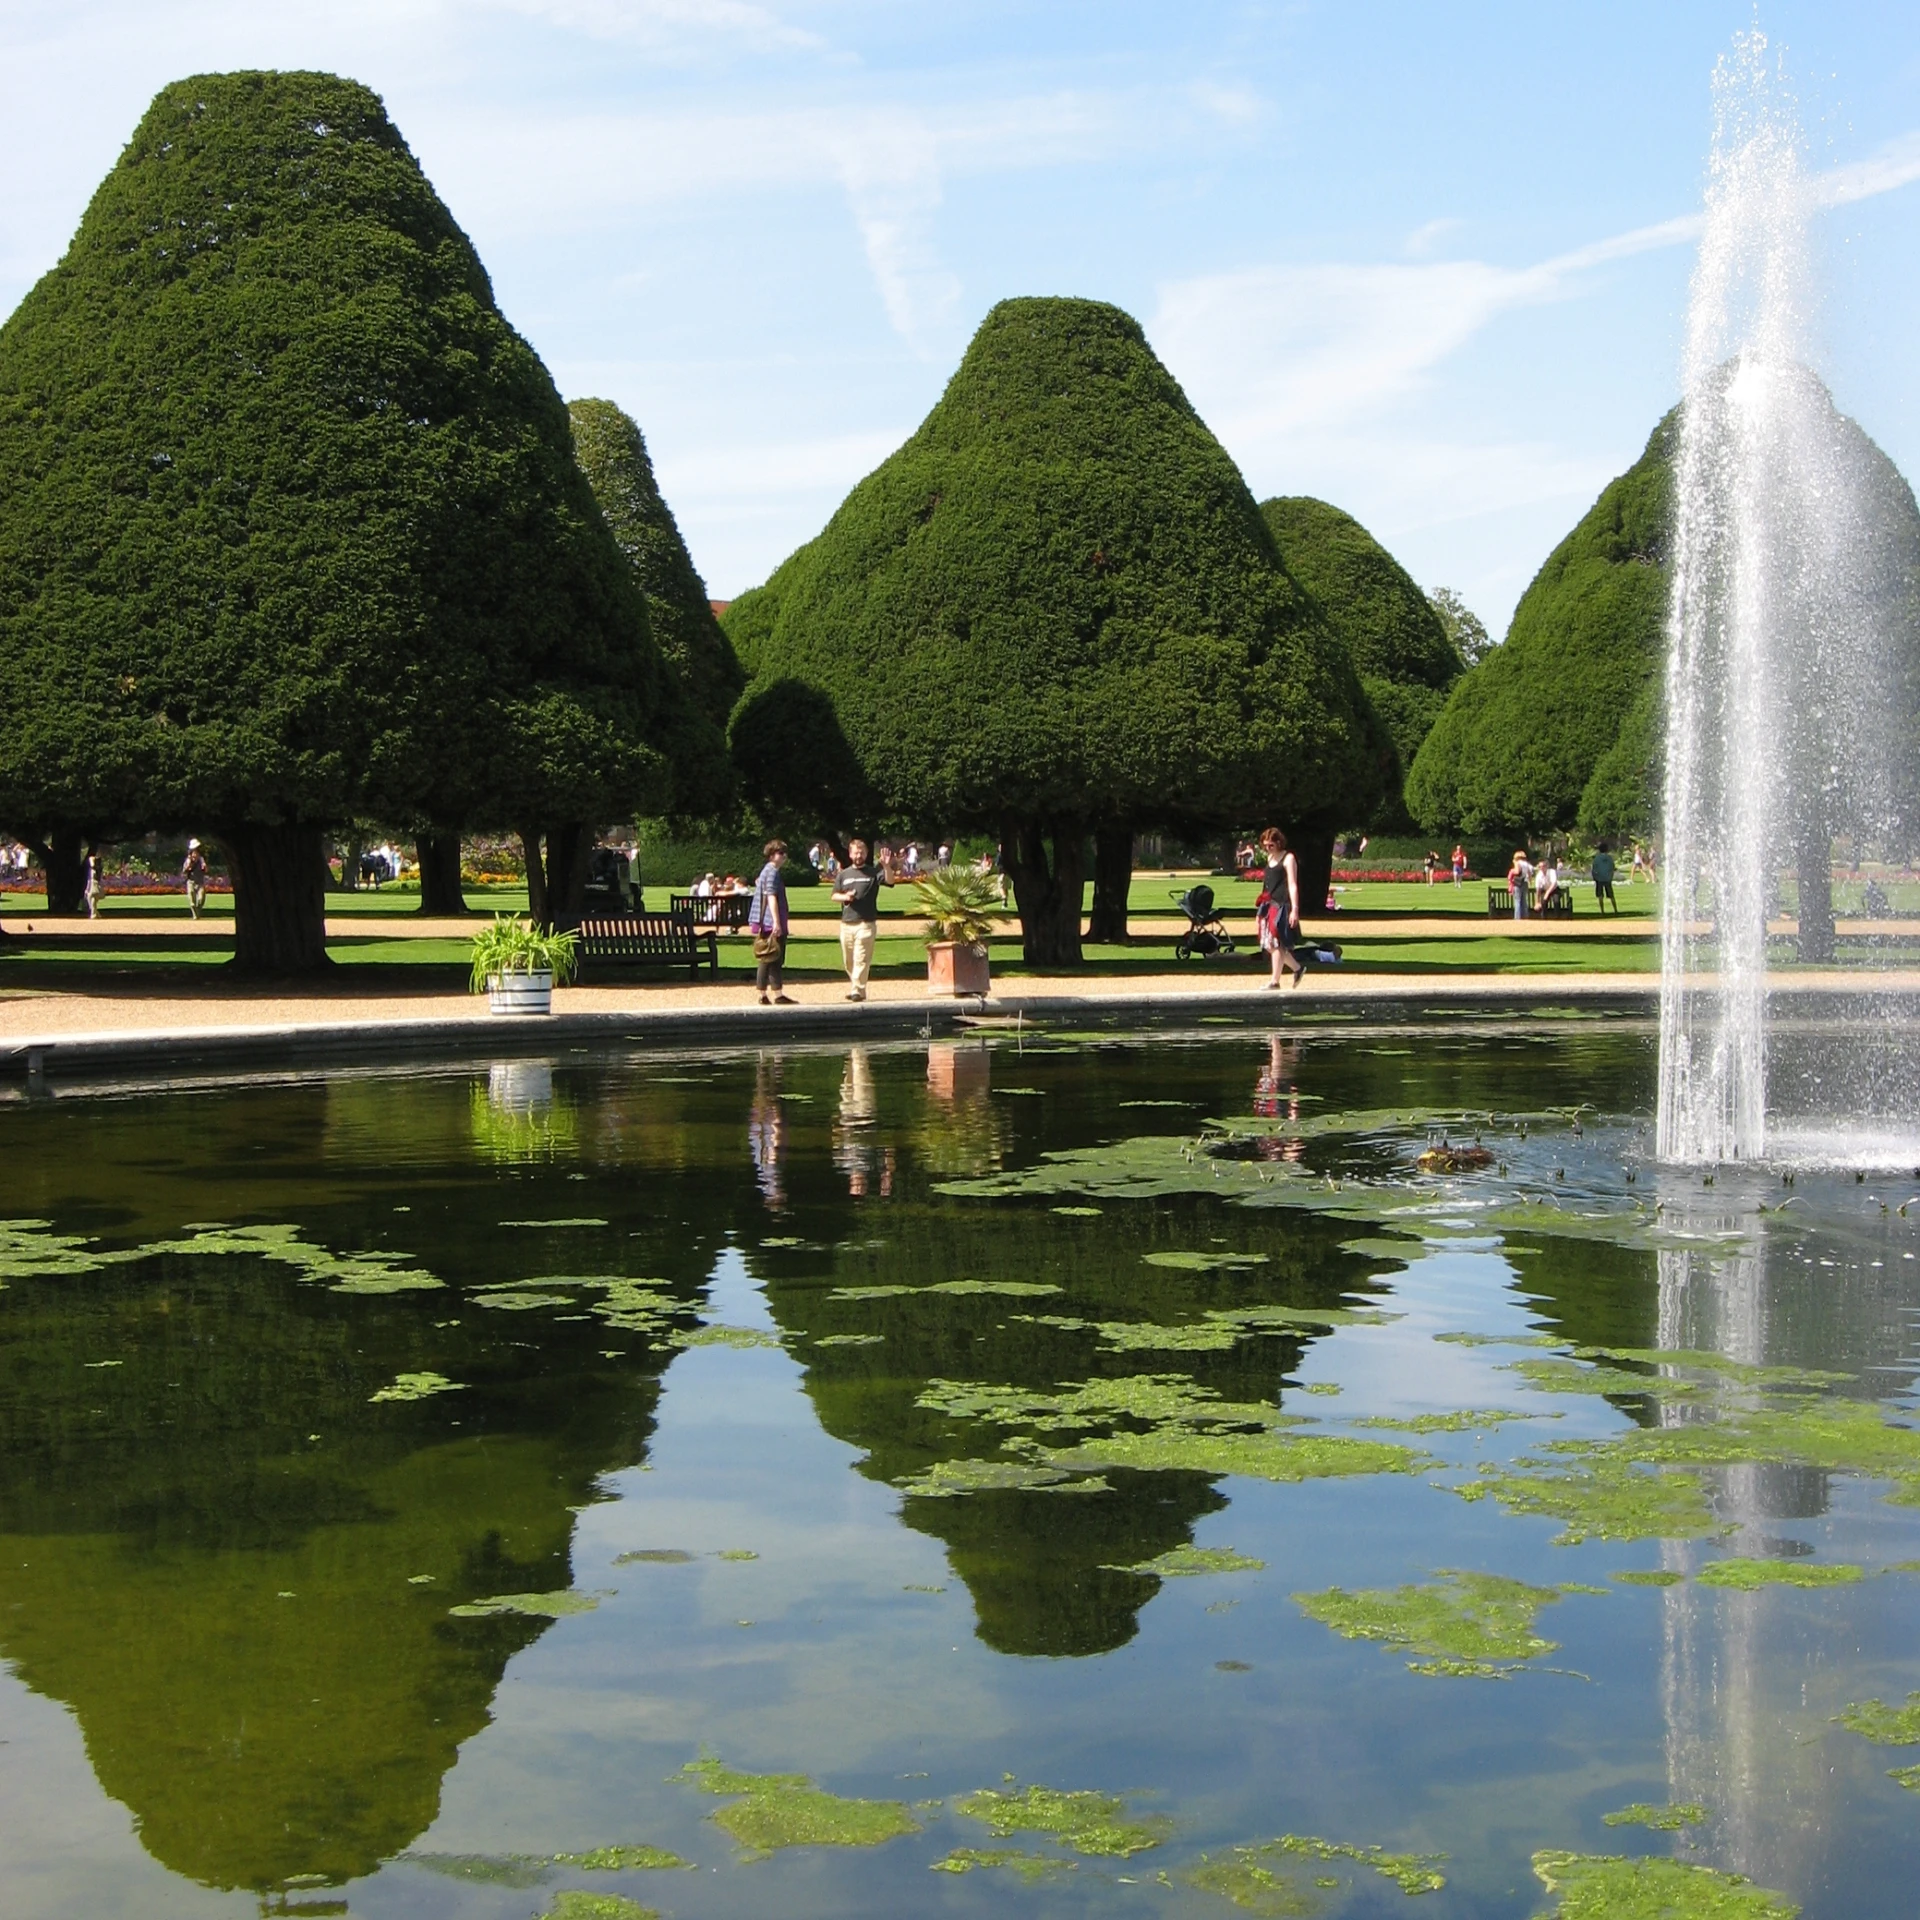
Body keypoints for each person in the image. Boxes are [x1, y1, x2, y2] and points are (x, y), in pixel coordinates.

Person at [832, 836, 884, 1002]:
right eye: (855, 853)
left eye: (861, 853)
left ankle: (856, 990)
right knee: (848, 961)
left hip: (866, 923)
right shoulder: (844, 875)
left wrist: (887, 866)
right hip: (847, 923)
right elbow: (834, 896)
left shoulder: (873, 873)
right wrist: (845, 896)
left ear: (866, 853)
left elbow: (889, 880)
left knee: (861, 958)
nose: (858, 856)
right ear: (850, 854)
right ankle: (859, 989)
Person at [1256, 826, 1304, 988]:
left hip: (1282, 905)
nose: (1268, 848)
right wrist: (1260, 910)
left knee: (1275, 944)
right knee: (1268, 944)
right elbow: (1267, 886)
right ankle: (1297, 968)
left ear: (1279, 843)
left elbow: (1292, 884)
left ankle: (1274, 981)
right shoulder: (1270, 859)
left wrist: (1295, 909)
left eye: (1271, 845)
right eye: (1265, 845)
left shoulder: (1288, 858)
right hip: (1268, 904)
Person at [748, 840, 793, 1005]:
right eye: (781, 853)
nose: (784, 857)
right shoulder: (772, 871)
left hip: (766, 920)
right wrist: (776, 922)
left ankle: (777, 993)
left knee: (773, 958)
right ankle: (762, 993)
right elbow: (771, 896)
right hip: (770, 921)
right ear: (772, 855)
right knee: (768, 958)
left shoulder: (766, 871)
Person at [182, 839, 208, 919]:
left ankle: (198, 913)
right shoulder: (188, 860)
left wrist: (204, 867)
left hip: (200, 882)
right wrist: (189, 866)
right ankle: (195, 915)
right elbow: (184, 871)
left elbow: (206, 870)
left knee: (201, 900)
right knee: (192, 903)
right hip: (191, 882)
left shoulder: (201, 859)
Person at [1591, 841, 1618, 915]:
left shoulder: (1597, 858)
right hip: (1607, 878)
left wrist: (1595, 877)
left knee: (1600, 896)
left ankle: (1602, 911)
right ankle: (1615, 910)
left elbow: (1594, 869)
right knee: (1611, 895)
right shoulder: (1609, 858)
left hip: (1599, 878)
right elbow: (1612, 867)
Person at [1507, 849, 1533, 920]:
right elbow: (1529, 874)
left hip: (1518, 883)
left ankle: (1517, 917)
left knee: (1517, 900)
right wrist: (1530, 881)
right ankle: (1525, 916)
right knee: (1524, 901)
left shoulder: (1518, 863)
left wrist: (1511, 871)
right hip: (1525, 882)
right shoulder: (1526, 864)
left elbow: (1517, 871)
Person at [82, 850, 103, 919]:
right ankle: (95, 912)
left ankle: (93, 913)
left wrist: (91, 859)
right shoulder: (97, 867)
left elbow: (92, 865)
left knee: (91, 896)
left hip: (93, 882)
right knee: (92, 898)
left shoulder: (95, 868)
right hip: (93, 882)